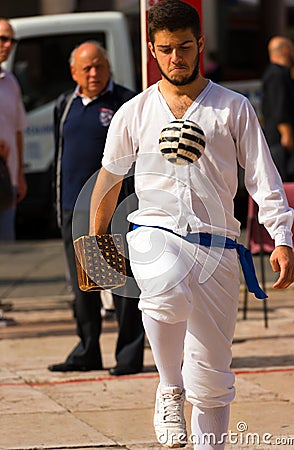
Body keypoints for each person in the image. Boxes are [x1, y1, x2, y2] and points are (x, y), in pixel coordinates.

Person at [88, 1, 294, 448]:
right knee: (165, 292)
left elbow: (263, 176)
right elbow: (109, 177)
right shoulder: (134, 112)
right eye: (165, 49)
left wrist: (281, 237)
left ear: (200, 44)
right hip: (154, 233)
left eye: (184, 47)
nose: (176, 58)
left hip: (218, 247)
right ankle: (168, 385)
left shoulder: (232, 107)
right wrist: (94, 244)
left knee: (214, 379)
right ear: (152, 50)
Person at [48, 41, 144, 375]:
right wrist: (59, 201)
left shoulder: (126, 102)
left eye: (99, 66)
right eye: (86, 68)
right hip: (73, 208)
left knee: (120, 284)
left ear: (109, 67)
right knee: (83, 288)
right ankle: (87, 351)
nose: (93, 73)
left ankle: (129, 356)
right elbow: (61, 157)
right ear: (74, 72)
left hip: (114, 209)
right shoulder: (65, 104)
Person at [0, 18, 27, 241]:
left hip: (6, 182)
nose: (8, 45)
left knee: (6, 252)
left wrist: (19, 175)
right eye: (2, 39)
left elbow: (18, 130)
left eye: (12, 40)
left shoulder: (11, 82)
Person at [262, 36, 294, 181]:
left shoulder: (281, 74)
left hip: (281, 141)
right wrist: (287, 133)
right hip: (281, 142)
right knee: (286, 181)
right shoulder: (276, 75)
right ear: (286, 50)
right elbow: (280, 107)